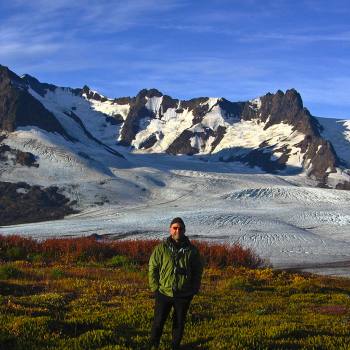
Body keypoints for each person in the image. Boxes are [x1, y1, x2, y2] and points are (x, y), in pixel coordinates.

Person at [148, 217, 203, 350]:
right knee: (158, 322)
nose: (177, 230)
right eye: (175, 228)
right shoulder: (161, 249)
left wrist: (193, 289)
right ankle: (153, 346)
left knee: (178, 323)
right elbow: (152, 268)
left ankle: (175, 346)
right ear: (170, 229)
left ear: (184, 230)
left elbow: (198, 271)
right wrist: (155, 288)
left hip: (184, 294)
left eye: (180, 228)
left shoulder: (192, 251)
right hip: (164, 293)